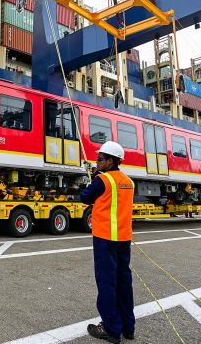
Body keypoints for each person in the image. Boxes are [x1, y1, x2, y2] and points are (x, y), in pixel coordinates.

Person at [79, 141, 135, 343]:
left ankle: (111, 329)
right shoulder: (129, 181)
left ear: (111, 161)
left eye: (100, 159)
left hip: (105, 239)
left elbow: (84, 198)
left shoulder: (102, 180)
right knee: (124, 282)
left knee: (106, 283)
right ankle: (128, 327)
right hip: (124, 239)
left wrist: (93, 178)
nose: (97, 161)